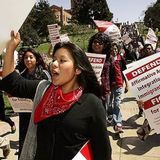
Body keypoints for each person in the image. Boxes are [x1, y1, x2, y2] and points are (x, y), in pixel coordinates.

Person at [2, 31, 112, 160]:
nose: (54, 64)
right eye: (54, 59)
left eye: (62, 60)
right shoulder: (43, 89)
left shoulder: (92, 103)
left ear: (77, 69)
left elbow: (102, 152)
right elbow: (11, 83)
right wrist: (11, 48)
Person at [15, 47, 51, 158]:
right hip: (24, 113)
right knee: (24, 138)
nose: (28, 60)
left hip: (39, 113)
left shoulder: (44, 74)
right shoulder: (20, 75)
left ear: (37, 59)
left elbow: (49, 92)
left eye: (31, 57)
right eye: (26, 57)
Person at [87, 32, 112, 116]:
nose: (97, 44)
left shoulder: (109, 59)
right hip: (88, 92)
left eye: (100, 43)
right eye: (95, 42)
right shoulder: (85, 58)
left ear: (105, 46)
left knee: (101, 115)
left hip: (103, 92)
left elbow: (113, 76)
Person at [108, 43, 128, 133]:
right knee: (108, 104)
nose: (114, 51)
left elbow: (125, 72)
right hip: (109, 85)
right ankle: (111, 116)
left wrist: (127, 84)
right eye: (112, 49)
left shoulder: (121, 59)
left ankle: (118, 123)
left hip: (119, 85)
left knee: (117, 103)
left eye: (115, 49)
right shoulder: (107, 59)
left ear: (118, 50)